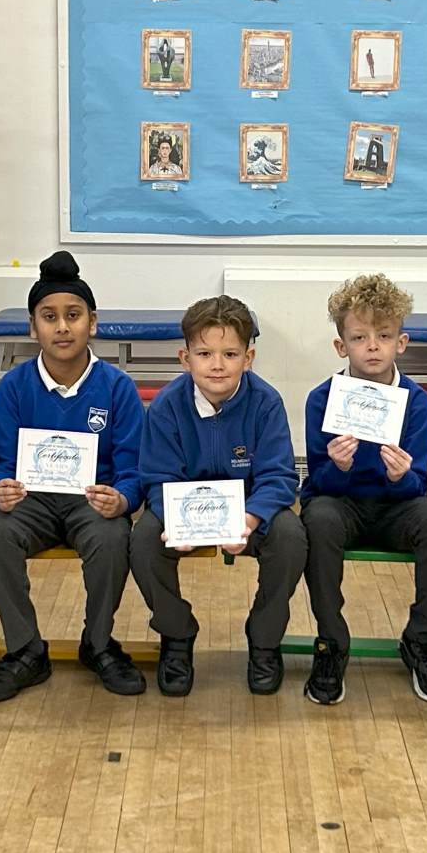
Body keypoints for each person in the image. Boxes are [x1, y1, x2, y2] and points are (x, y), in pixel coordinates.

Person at [0, 252, 146, 701]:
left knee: (112, 536)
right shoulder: (13, 387)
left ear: (93, 323)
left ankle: (98, 643)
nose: (62, 327)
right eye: (49, 317)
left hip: (91, 503)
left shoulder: (117, 388)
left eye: (74, 315)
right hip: (30, 503)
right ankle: (25, 649)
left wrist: (122, 499)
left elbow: (132, 471)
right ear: (33, 328)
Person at [130, 295, 305, 697]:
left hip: (247, 511)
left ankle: (264, 640)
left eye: (230, 354)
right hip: (185, 510)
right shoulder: (167, 406)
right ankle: (176, 635)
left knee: (291, 536)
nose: (217, 365)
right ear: (185, 358)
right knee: (143, 540)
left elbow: (279, 476)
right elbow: (157, 477)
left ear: (249, 358)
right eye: (204, 353)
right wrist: (175, 521)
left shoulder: (266, 403)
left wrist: (251, 518)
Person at [298, 275, 427, 707]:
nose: (372, 347)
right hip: (341, 505)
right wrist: (340, 466)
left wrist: (399, 476)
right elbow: (316, 482)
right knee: (318, 518)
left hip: (395, 509)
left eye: (384, 336)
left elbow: (418, 485)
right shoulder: (321, 399)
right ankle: (331, 641)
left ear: (401, 343)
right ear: (341, 346)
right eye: (359, 337)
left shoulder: (416, 402)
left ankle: (421, 637)